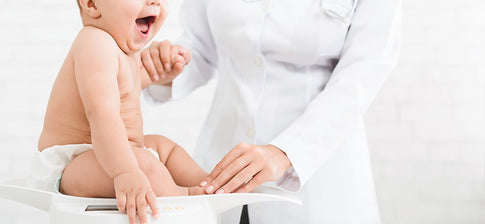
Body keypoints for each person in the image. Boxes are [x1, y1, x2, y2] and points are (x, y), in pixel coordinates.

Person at [141, 0, 402, 223]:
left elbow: (363, 72)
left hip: (320, 181)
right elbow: (199, 48)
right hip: (220, 173)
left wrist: (287, 151)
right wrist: (166, 66)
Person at [27, 0, 208, 224]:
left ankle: (210, 184)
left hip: (117, 153)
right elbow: (102, 113)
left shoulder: (124, 50)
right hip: (72, 164)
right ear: (92, 4)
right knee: (143, 163)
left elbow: (126, 89)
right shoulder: (95, 42)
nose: (153, 2)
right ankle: (186, 195)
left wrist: (160, 73)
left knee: (164, 147)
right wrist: (126, 172)